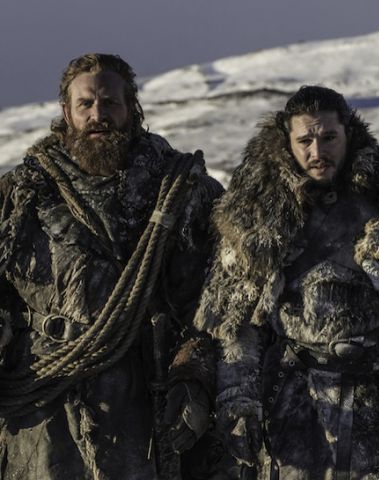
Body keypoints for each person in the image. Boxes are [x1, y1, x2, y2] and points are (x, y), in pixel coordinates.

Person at [194, 85, 379, 479]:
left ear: (348, 133)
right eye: (305, 141)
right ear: (287, 141)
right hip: (295, 400)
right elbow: (236, 321)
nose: (317, 152)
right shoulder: (256, 212)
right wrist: (238, 400)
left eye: (329, 138)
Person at [0, 53, 223, 479]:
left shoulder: (182, 190)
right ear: (66, 112)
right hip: (42, 403)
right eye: (85, 104)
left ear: (132, 108)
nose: (98, 115)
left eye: (110, 103)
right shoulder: (20, 194)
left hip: (144, 400)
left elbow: (218, 300)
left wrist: (195, 373)